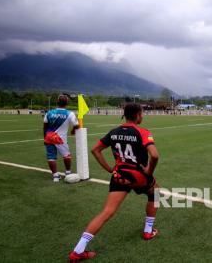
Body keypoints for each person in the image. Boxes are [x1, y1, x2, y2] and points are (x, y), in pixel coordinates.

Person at [68, 103, 160, 262]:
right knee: (156, 194)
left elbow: (95, 150)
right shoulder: (143, 132)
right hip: (139, 175)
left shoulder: (114, 132)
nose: (143, 116)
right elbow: (155, 155)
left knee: (107, 212)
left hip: (119, 176)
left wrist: (110, 169)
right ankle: (148, 230)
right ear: (138, 115)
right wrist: (149, 174)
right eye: (142, 113)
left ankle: (78, 250)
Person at [43, 94, 79, 182]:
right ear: (67, 103)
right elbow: (77, 125)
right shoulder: (70, 113)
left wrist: (45, 137)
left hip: (49, 137)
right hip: (60, 139)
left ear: (57, 102)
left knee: (51, 157)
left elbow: (45, 127)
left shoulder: (49, 113)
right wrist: (73, 130)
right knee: (66, 155)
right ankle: (68, 172)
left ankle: (55, 176)